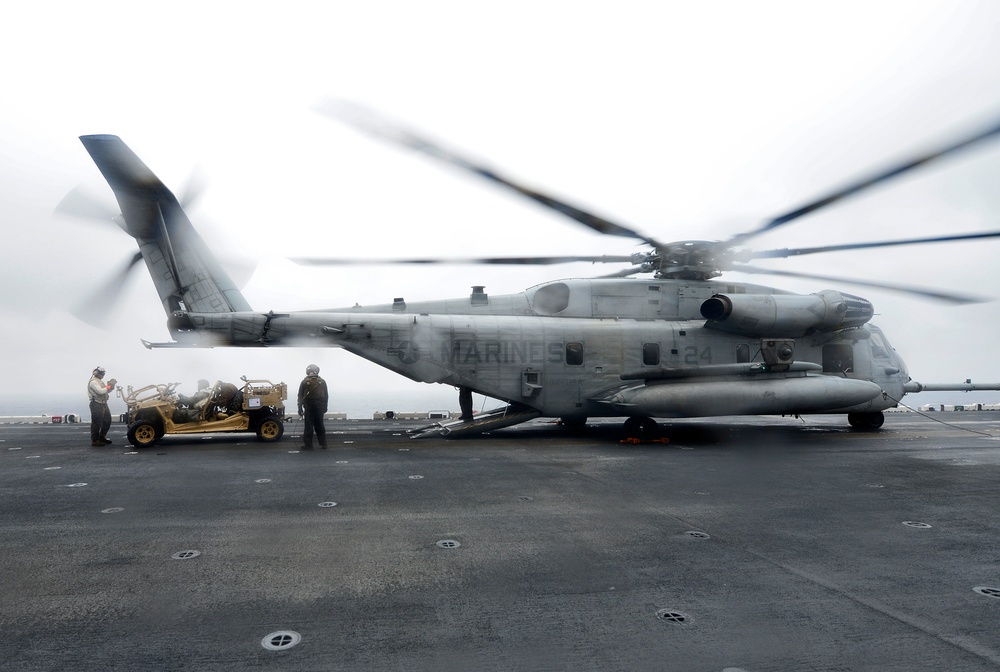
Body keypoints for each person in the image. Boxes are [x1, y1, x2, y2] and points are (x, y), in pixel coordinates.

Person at [297, 364, 329, 450]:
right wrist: (325, 407)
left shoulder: (304, 382)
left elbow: (300, 396)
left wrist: (299, 408)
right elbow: (326, 396)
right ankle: (323, 444)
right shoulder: (322, 381)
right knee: (320, 425)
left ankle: (308, 445)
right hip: (320, 406)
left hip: (309, 406)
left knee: (308, 425)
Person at [88, 366, 117, 446]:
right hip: (97, 404)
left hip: (103, 403)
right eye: (101, 373)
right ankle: (95, 440)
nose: (103, 375)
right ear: (96, 373)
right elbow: (100, 391)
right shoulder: (93, 382)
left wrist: (111, 387)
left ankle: (102, 437)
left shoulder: (99, 381)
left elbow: (106, 391)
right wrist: (108, 386)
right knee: (97, 422)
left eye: (104, 373)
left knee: (107, 420)